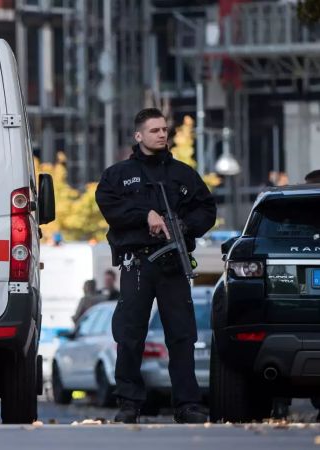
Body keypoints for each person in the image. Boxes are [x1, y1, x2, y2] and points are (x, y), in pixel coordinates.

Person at [95, 108, 217, 424]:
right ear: (139, 136)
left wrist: (183, 226)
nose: (162, 134)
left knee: (181, 335)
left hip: (173, 263)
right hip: (137, 264)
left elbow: (206, 209)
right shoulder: (118, 175)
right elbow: (109, 206)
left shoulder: (183, 174)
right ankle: (129, 404)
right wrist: (144, 214)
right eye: (154, 130)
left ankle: (187, 404)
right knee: (130, 334)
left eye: (164, 129)